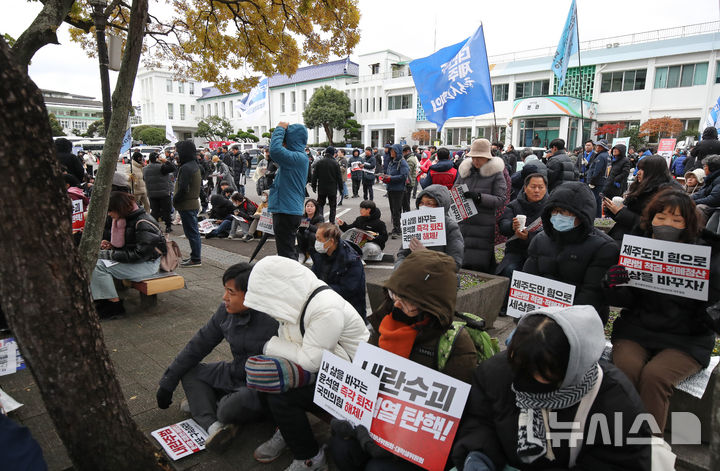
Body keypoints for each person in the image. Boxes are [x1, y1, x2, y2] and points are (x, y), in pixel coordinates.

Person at [452, 305, 651, 471]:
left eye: (539, 370)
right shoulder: (495, 372)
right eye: (518, 362)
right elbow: (480, 419)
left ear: (571, 367)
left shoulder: (615, 402)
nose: (522, 378)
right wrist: (478, 453)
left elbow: (620, 462)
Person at [329, 251, 478, 471]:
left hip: (415, 439)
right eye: (394, 294)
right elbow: (364, 376)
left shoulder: (456, 343)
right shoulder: (385, 318)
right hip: (376, 420)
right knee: (341, 446)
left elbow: (449, 419)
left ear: (433, 306)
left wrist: (395, 446)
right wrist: (347, 413)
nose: (397, 304)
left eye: (409, 301)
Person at [604, 189, 719, 433]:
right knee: (625, 370)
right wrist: (614, 283)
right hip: (637, 330)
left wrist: (707, 303)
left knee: (655, 377)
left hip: (686, 339)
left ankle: (648, 447)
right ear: (650, 218)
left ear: (689, 223)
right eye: (661, 217)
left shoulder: (708, 256)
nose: (667, 224)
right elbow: (625, 300)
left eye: (677, 220)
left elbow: (711, 314)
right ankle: (614, 439)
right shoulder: (638, 247)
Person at [244, 256, 369, 471]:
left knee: (282, 396)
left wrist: (269, 346)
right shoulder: (294, 302)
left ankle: (310, 458)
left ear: (280, 289)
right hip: (326, 371)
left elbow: (311, 360)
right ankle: (287, 430)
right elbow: (298, 350)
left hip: (351, 383)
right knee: (267, 380)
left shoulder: (325, 307)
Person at [155, 263, 279, 452]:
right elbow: (198, 345)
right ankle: (214, 428)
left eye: (231, 292)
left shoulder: (274, 322)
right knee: (190, 372)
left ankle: (211, 405)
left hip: (259, 387)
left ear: (251, 295)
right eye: (225, 290)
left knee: (227, 408)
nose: (224, 297)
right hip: (234, 372)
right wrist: (167, 382)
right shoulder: (225, 312)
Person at [524, 182, 618, 324]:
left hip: (578, 322)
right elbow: (528, 279)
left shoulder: (604, 247)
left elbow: (591, 295)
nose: (557, 216)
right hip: (539, 314)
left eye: (563, 212)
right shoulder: (540, 239)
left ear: (581, 215)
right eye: (554, 211)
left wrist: (559, 320)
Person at [92, 192, 166, 318]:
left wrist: (111, 254)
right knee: (96, 261)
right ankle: (105, 300)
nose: (109, 214)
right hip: (138, 261)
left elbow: (140, 254)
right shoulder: (125, 219)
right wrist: (112, 246)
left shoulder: (143, 222)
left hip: (148, 265)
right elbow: (131, 245)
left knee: (98, 265)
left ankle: (114, 305)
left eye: (110, 210)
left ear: (119, 208)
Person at [455, 138, 507, 273]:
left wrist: (479, 197)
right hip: (464, 222)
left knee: (480, 262)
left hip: (484, 225)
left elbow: (501, 199)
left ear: (488, 158)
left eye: (480, 158)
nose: (476, 161)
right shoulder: (465, 171)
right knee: (462, 258)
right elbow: (456, 188)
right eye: (473, 157)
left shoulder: (496, 173)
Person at [604, 155, 678, 243]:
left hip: (637, 242)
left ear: (653, 172)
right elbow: (611, 220)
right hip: (617, 232)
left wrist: (620, 212)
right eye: (638, 169)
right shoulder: (640, 186)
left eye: (642, 169)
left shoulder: (666, 195)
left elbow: (649, 226)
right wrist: (610, 209)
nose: (638, 172)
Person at [395, 184, 464, 271]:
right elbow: (402, 254)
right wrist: (400, 269)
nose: (424, 206)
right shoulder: (414, 223)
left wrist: (425, 254)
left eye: (429, 203)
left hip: (438, 280)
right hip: (414, 277)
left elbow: (454, 264)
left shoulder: (450, 227)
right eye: (421, 203)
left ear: (440, 205)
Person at [269, 122, 310, 260]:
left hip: (286, 211)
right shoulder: (299, 157)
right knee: (287, 251)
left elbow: (274, 150)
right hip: (288, 210)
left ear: (291, 140)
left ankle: (291, 279)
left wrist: (280, 128)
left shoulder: (297, 158)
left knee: (286, 254)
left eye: (285, 140)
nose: (284, 144)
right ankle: (291, 278)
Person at [496, 173, 548, 278]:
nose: (537, 190)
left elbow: (553, 234)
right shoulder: (514, 205)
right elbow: (503, 225)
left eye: (541, 187)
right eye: (533, 187)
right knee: (509, 270)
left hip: (542, 254)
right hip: (516, 252)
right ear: (525, 188)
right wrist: (512, 226)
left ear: (546, 189)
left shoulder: (551, 208)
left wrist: (529, 237)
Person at [311, 223, 366, 319]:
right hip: (326, 302)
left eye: (319, 239)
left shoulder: (351, 260)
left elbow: (348, 289)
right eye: (316, 238)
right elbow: (313, 276)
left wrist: (320, 290)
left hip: (349, 310)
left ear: (331, 241)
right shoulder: (321, 253)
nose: (317, 242)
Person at [174, 140, 203, 267]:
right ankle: (194, 257)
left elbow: (183, 188)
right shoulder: (194, 165)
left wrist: (175, 200)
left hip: (187, 204)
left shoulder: (186, 167)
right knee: (193, 232)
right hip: (192, 203)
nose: (176, 153)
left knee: (192, 233)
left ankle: (196, 259)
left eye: (178, 151)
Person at [381, 144, 410, 238]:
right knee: (393, 209)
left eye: (393, 151)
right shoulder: (391, 161)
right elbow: (389, 174)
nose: (391, 152)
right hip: (391, 189)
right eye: (390, 150)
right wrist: (385, 177)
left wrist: (390, 178)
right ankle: (395, 228)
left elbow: (403, 176)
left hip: (399, 190)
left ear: (397, 151)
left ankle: (397, 230)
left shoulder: (402, 162)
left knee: (396, 210)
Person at [144, 151, 176, 233]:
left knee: (155, 211)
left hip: (152, 194)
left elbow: (144, 179)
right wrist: (166, 161)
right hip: (164, 193)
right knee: (166, 211)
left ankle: (154, 227)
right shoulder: (162, 167)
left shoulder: (145, 169)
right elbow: (173, 168)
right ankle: (168, 226)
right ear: (157, 158)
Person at [312, 146, 343, 224]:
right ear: (333, 153)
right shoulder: (335, 163)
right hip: (332, 188)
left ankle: (320, 221)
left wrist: (313, 185)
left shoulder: (319, 162)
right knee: (333, 206)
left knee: (320, 205)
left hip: (322, 187)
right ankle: (331, 222)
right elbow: (339, 177)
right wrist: (341, 188)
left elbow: (315, 175)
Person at [296, 199, 324, 263]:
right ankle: (301, 254)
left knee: (312, 235)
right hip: (305, 237)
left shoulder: (320, 217)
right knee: (298, 234)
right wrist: (301, 226)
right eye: (307, 206)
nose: (309, 208)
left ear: (316, 208)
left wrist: (308, 224)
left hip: (315, 239)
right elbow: (300, 230)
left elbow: (318, 230)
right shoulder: (303, 216)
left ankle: (312, 255)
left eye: (312, 206)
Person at [402, 145, 419, 212]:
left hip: (408, 183)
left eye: (404, 152)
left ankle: (407, 215)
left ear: (408, 151)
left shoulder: (410, 160)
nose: (403, 154)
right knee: (406, 201)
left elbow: (407, 172)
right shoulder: (410, 158)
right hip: (409, 182)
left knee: (406, 201)